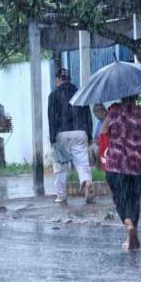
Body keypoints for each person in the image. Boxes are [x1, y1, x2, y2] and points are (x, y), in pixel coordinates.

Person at [101, 95, 141, 251]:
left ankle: (128, 225)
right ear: (136, 96)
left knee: (120, 198)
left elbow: (103, 132)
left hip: (117, 164)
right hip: (139, 164)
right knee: (134, 199)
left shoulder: (113, 111)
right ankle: (132, 236)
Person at [48, 68, 94, 204]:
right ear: (70, 79)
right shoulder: (80, 93)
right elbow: (87, 115)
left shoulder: (53, 95)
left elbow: (51, 117)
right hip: (80, 132)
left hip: (61, 133)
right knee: (82, 163)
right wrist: (89, 135)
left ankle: (61, 196)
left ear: (57, 80)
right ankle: (86, 182)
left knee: (60, 166)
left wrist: (52, 138)